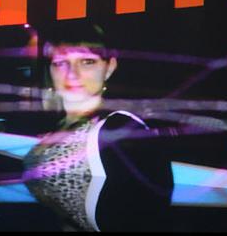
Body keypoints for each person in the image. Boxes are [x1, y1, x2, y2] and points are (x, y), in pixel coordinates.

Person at [21, 19, 174, 232]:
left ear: (109, 68)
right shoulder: (56, 128)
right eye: (60, 63)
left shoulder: (122, 129)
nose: (72, 74)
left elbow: (149, 213)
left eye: (87, 62)